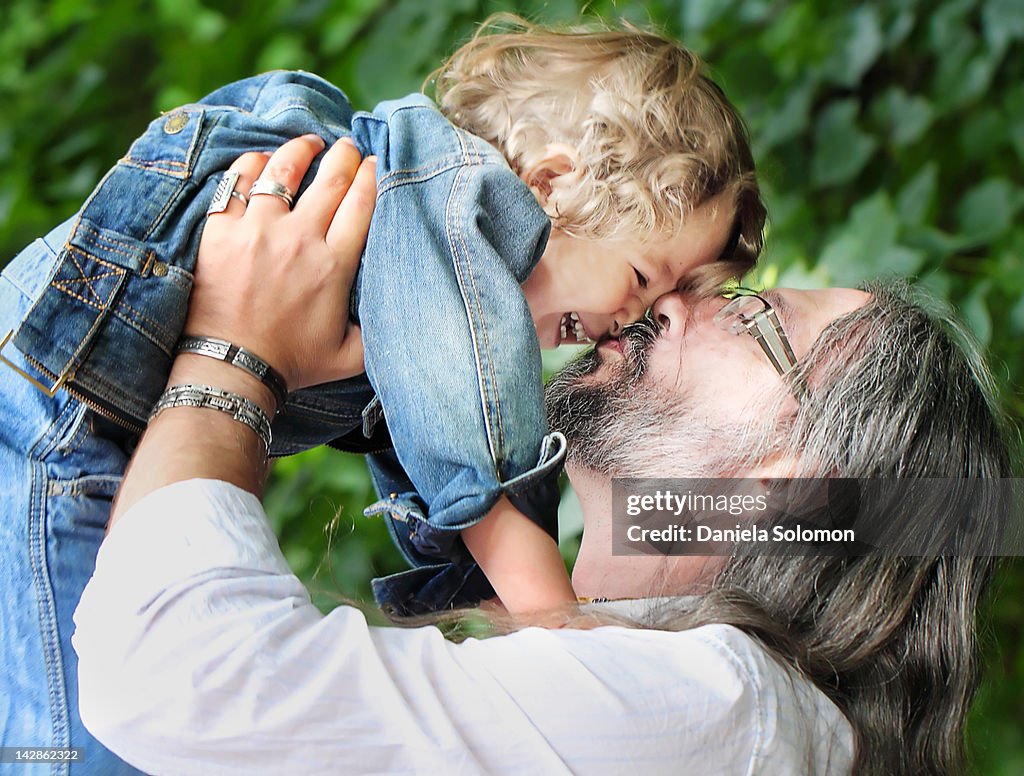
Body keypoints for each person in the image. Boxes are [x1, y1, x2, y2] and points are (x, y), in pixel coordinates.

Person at [72, 138, 1015, 775]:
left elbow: (165, 676)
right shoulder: (711, 707)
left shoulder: (724, 711)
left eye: (755, 315)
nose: (674, 301)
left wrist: (234, 350)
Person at [0, 17, 764, 771]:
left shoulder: (421, 241)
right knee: (86, 741)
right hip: (61, 418)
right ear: (550, 184)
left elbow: (428, 458)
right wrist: (549, 616)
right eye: (639, 278)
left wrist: (470, 600)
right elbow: (472, 431)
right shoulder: (455, 208)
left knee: (62, 703)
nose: (627, 324)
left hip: (78, 421)